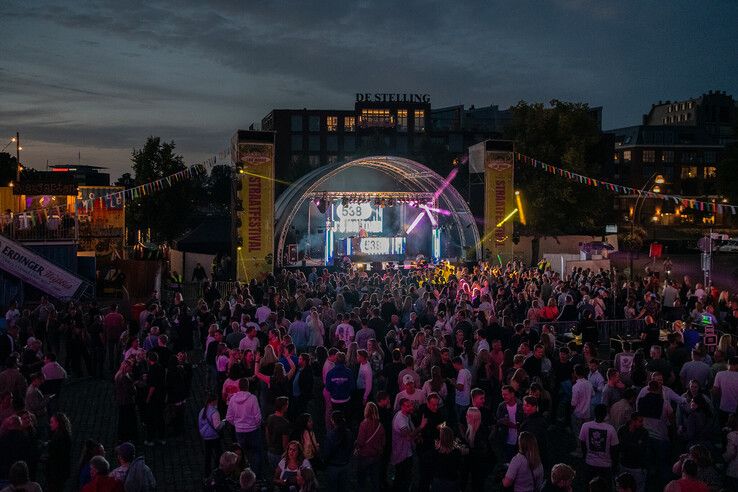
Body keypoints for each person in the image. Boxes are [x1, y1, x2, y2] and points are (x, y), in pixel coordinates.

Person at [226, 377, 264, 478]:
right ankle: (255, 477)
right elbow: (258, 417)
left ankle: (242, 476)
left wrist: (237, 424)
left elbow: (228, 417)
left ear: (238, 387)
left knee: (242, 454)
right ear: (248, 386)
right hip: (253, 431)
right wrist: (255, 425)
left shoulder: (233, 399)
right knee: (256, 454)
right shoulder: (252, 398)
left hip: (239, 432)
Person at [391, 398, 427, 492]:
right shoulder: (400, 419)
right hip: (402, 454)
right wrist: (421, 427)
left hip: (406, 451)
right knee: (402, 477)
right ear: (402, 407)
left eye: (411, 405)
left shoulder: (406, 415)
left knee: (406, 475)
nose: (411, 407)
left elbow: (411, 429)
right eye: (408, 406)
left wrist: (417, 436)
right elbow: (408, 435)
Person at [579, 404, 619, 484]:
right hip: (606, 465)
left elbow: (582, 443)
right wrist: (614, 465)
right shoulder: (610, 429)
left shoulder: (585, 426)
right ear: (605, 414)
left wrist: (585, 456)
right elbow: (614, 449)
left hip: (590, 462)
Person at [354, 402, 385, 492]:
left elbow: (361, 441)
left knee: (361, 479)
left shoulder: (364, 424)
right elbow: (383, 442)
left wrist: (356, 445)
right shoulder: (380, 425)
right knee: (375, 479)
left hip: (364, 456)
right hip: (375, 455)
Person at [322, 411, 354, 492]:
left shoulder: (330, 435)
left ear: (332, 421)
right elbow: (351, 448)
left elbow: (327, 453)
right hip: (345, 465)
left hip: (333, 467)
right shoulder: (349, 433)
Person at [429, 425, 464, 491]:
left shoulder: (435, 452)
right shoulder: (456, 453)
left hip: (438, 482)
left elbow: (431, 467)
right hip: (452, 482)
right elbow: (460, 467)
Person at [46, 412, 72, 492]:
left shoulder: (59, 437)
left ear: (58, 423)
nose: (50, 424)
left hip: (57, 471)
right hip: (61, 470)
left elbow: (56, 454)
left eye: (52, 422)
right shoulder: (64, 434)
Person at [199, 394, 225, 476]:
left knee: (208, 455)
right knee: (218, 453)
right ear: (213, 401)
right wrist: (223, 423)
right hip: (214, 436)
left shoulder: (202, 410)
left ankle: (207, 472)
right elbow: (217, 426)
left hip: (205, 436)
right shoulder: (215, 412)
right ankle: (217, 469)